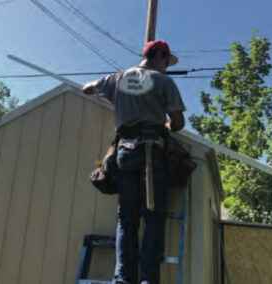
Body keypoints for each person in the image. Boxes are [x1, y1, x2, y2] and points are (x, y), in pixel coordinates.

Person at [83, 40, 186, 284]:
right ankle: (148, 280)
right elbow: (178, 122)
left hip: (125, 153)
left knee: (127, 220)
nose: (166, 67)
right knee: (153, 217)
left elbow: (87, 88)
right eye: (166, 62)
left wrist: (117, 100)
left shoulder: (117, 78)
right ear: (160, 56)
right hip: (152, 153)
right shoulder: (163, 82)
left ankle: (123, 279)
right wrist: (167, 125)